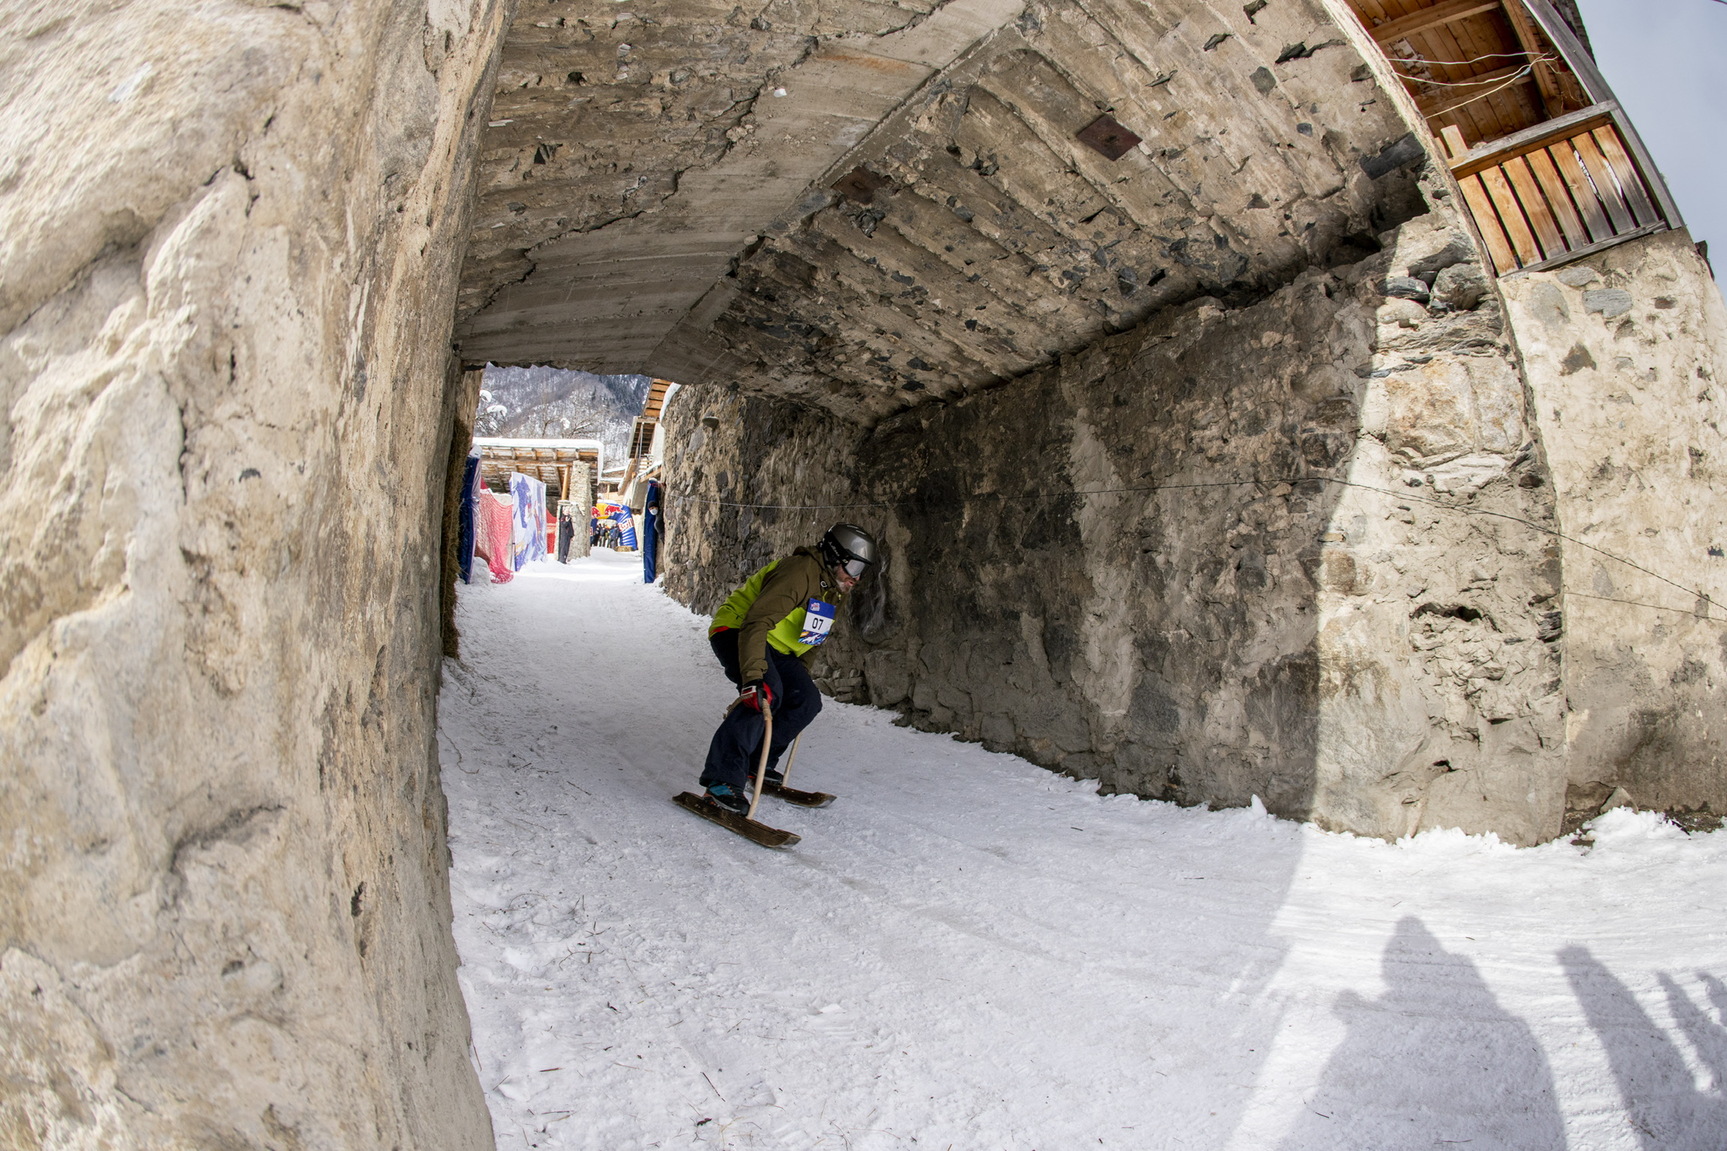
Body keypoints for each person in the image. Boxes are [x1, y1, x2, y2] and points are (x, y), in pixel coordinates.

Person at [698, 523, 878, 814]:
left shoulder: (835, 590)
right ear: (835, 556)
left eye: (862, 571)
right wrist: (754, 677)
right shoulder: (799, 572)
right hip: (738, 630)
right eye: (854, 567)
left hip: (777, 647)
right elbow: (756, 621)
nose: (856, 578)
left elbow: (814, 638)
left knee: (805, 701)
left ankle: (757, 764)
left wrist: (800, 675)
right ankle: (722, 780)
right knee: (765, 694)